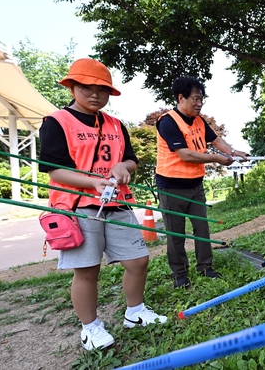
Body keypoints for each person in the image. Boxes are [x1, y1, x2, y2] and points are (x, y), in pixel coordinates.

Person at [39, 58, 167, 351]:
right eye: (86, 87)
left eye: (102, 89)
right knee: (86, 270)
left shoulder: (115, 124)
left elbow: (131, 159)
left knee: (138, 261)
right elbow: (54, 169)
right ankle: (91, 328)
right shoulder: (56, 122)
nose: (95, 94)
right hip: (78, 206)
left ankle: (135, 312)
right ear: (72, 87)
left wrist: (124, 166)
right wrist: (92, 182)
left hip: (117, 202)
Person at [155, 77, 247, 289]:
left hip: (195, 185)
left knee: (202, 228)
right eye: (195, 99)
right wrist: (216, 158)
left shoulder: (199, 121)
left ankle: (205, 267)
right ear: (181, 98)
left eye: (201, 99)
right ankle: (179, 274)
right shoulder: (168, 122)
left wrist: (233, 152)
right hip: (172, 187)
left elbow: (216, 141)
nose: (199, 103)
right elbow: (185, 154)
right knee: (175, 233)